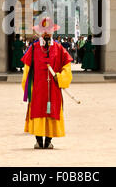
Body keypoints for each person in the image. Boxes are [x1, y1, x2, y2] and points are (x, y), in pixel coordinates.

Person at [21, 17, 73, 149]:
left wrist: (60, 77)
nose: (46, 34)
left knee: (52, 112)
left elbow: (67, 67)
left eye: (49, 31)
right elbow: (27, 70)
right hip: (38, 89)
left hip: (53, 88)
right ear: (39, 33)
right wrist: (28, 88)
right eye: (43, 31)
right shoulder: (33, 48)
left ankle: (48, 140)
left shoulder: (59, 48)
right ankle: (38, 140)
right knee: (37, 112)